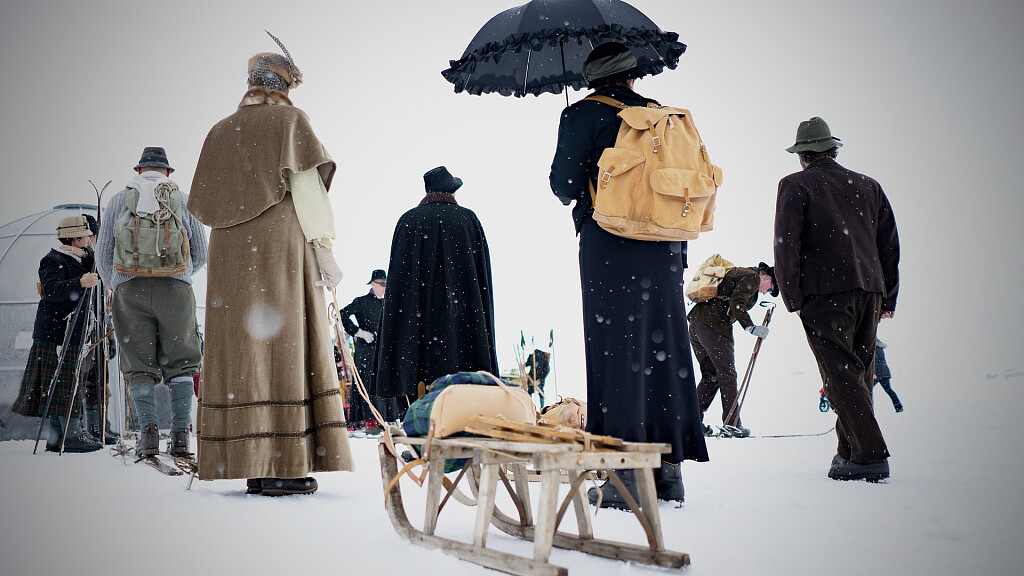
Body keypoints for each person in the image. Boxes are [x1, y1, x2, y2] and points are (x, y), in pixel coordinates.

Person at [187, 36, 354, 496]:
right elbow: (308, 190)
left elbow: (202, 199)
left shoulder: (220, 130)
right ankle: (286, 463)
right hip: (279, 244)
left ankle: (252, 462)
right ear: (285, 86)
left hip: (229, 255)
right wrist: (324, 247)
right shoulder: (290, 121)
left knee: (240, 347)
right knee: (285, 341)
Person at [549, 42, 709, 508]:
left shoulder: (582, 115)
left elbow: (562, 186)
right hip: (664, 248)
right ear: (633, 77)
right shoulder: (661, 117)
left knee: (616, 351)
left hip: (611, 247)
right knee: (665, 351)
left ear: (590, 78)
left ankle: (625, 476)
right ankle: (668, 472)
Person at [774, 116, 900, 482]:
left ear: (803, 155)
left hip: (824, 291)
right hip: (870, 290)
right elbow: (888, 245)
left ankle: (870, 455)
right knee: (858, 370)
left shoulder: (795, 185)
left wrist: (792, 294)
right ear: (832, 149)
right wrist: (888, 296)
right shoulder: (868, 185)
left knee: (840, 373)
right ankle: (849, 452)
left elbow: (787, 243)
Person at [95, 147, 207, 459]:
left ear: (139, 170)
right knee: (183, 360)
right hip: (176, 291)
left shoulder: (119, 199)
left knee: (138, 362)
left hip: (130, 288)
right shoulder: (182, 198)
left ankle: (147, 433)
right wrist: (179, 274)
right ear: (167, 172)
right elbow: (201, 251)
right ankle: (182, 433)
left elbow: (103, 254)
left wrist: (118, 283)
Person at [373, 166, 498, 415]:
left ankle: (420, 429)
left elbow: (398, 284)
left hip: (417, 333)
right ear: (451, 192)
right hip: (462, 327)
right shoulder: (468, 219)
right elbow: (481, 280)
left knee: (418, 384)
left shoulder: (408, 221)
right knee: (463, 382)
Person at [12, 216, 102, 452]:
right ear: (74, 238)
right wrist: (80, 282)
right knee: (62, 382)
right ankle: (70, 434)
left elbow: (94, 264)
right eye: (85, 237)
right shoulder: (52, 260)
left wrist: (85, 257)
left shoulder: (80, 258)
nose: (89, 241)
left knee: (63, 381)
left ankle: (58, 435)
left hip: (71, 332)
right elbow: (51, 290)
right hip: (56, 332)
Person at [689, 262, 778, 438]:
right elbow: (736, 302)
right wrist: (751, 327)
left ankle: (691, 422)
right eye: (770, 289)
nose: (765, 292)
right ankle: (732, 424)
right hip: (714, 326)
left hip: (696, 324)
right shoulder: (752, 277)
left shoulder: (741, 272)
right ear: (767, 278)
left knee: (711, 374)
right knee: (727, 374)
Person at [340, 269, 394, 435]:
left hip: (384, 349)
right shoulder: (361, 301)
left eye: (386, 284)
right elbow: (343, 314)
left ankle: (387, 419)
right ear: (372, 284)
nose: (385, 287)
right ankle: (370, 420)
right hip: (367, 350)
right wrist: (358, 331)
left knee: (385, 383)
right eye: (382, 284)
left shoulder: (389, 302)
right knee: (368, 383)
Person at [873, 337, 903, 412]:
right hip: (885, 373)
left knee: (867, 390)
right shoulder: (880, 349)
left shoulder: (875, 349)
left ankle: (869, 408)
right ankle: (898, 407)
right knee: (889, 390)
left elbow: (875, 362)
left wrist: (873, 373)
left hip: (877, 373)